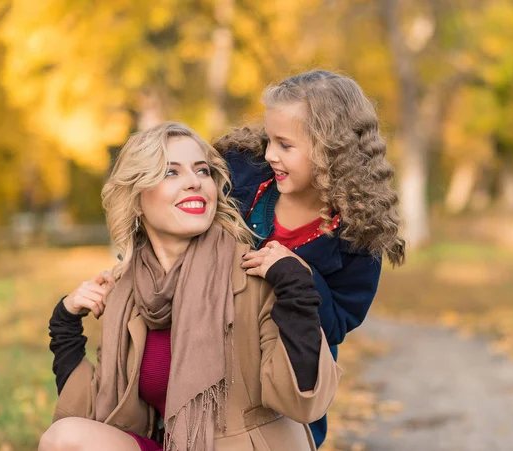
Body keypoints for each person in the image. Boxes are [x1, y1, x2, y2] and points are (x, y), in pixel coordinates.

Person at [39, 122, 341, 451]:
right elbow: (94, 411)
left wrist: (296, 287)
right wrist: (65, 323)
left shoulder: (255, 273)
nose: (194, 182)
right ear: (137, 197)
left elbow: (303, 402)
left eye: (202, 170)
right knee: (64, 438)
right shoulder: (128, 292)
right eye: (171, 172)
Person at [213, 70, 405, 447]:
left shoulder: (358, 237)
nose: (270, 154)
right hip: (215, 366)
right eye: (269, 139)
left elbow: (335, 326)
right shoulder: (242, 176)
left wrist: (296, 274)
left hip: (284, 388)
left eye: (285, 145)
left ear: (332, 150)